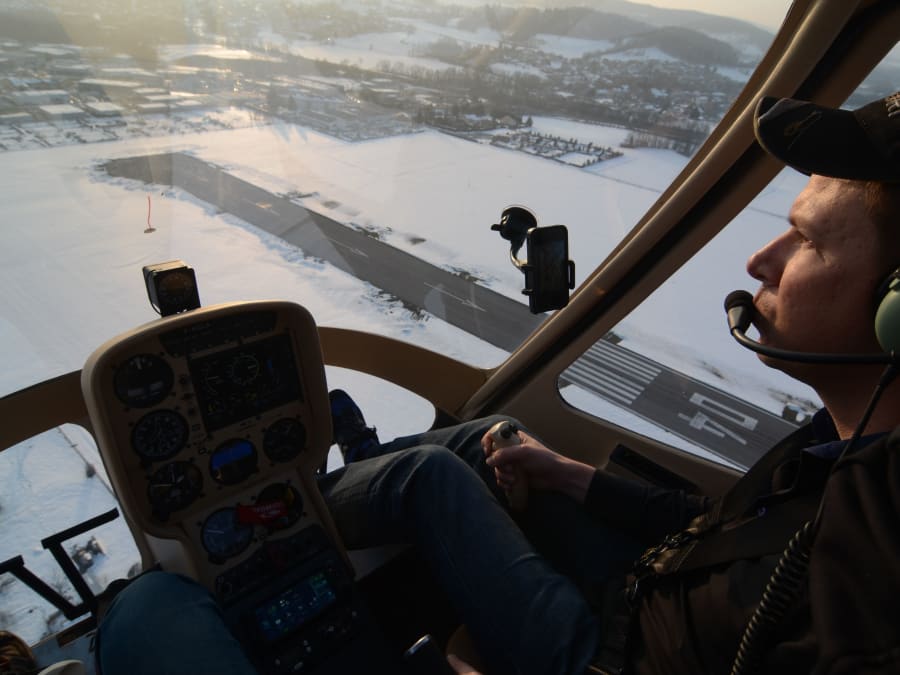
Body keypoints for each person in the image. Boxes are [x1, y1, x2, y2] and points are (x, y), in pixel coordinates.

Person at [96, 90, 900, 675]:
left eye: (804, 242)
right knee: (472, 451)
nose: (761, 261)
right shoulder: (846, 434)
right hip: (653, 581)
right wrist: (571, 475)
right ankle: (295, 510)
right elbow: (722, 524)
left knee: (144, 606)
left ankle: (268, 525)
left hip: (610, 656)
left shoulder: (875, 573)